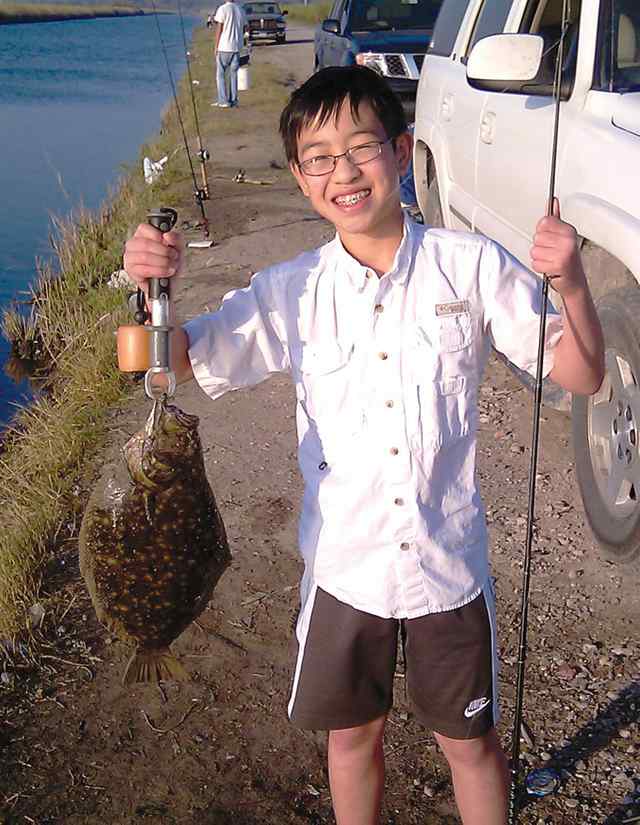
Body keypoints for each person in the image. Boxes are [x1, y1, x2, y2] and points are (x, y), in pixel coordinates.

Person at [123, 66, 604, 825]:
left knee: (471, 745)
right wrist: (152, 288)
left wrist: (571, 282)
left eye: (363, 147)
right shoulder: (290, 289)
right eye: (319, 156)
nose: (343, 171)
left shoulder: (468, 266)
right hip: (343, 570)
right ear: (299, 177)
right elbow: (176, 360)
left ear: (402, 150)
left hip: (450, 566)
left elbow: (581, 369)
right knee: (349, 743)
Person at [212, 0, 246, 108]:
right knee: (233, 75)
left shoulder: (222, 9)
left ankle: (223, 100)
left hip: (224, 47)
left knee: (220, 74)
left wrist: (216, 46)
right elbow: (245, 28)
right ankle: (233, 100)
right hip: (236, 48)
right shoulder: (241, 10)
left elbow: (219, 29)